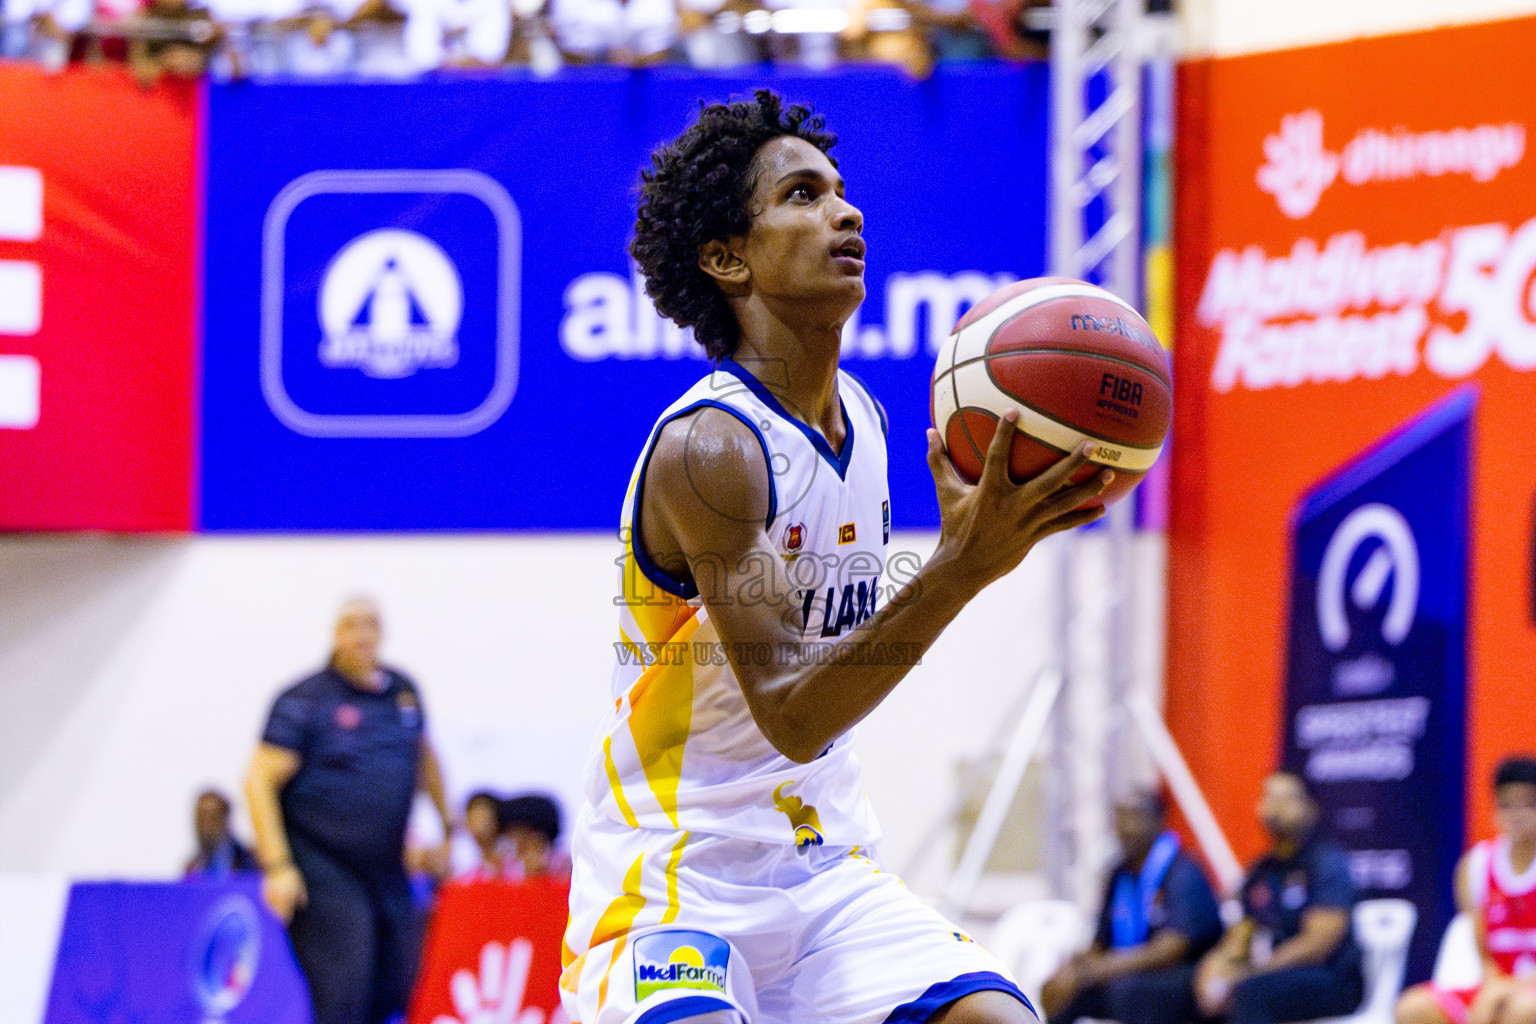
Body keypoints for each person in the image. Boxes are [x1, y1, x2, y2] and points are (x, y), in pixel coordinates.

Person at [559, 90, 1113, 1024]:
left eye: (843, 193)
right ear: (727, 258)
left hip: (821, 868)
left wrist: (963, 564)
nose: (845, 212)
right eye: (802, 197)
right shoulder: (711, 450)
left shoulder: (867, 418)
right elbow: (789, 713)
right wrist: (960, 568)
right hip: (675, 883)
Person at [245, 597, 453, 1024]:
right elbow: (258, 781)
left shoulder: (402, 692)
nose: (362, 634)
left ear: (382, 633)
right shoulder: (305, 699)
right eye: (351, 625)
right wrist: (278, 865)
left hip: (386, 866)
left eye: (370, 624)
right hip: (322, 867)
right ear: (335, 634)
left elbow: (425, 758)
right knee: (343, 988)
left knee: (396, 983)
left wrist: (447, 828)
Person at [1040, 789, 1222, 1024]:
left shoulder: (1183, 870)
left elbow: (1174, 947)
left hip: (1181, 974)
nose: (1125, 826)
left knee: (1135, 993)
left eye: (1135, 816)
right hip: (1126, 970)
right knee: (1060, 989)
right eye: (1120, 816)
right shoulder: (1118, 873)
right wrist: (1075, 968)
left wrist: (1100, 969)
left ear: (1159, 820)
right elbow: (1102, 940)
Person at [1196, 770, 1364, 1024]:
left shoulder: (1326, 862)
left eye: (1287, 798)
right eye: (1269, 797)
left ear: (1311, 808)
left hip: (1329, 978)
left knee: (1251, 993)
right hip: (1269, 972)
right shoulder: (1260, 870)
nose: (1275, 807)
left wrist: (1250, 973)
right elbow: (1240, 933)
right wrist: (1216, 967)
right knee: (1208, 991)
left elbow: (1317, 945)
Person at [1395, 756, 1536, 1024]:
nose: (1517, 814)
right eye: (1507, 805)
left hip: (1525, 994)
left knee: (1523, 1010)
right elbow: (1483, 950)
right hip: (1498, 986)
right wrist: (1495, 986)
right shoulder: (1475, 866)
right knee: (1412, 1007)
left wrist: (1509, 990)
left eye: (1529, 804)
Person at [184, 788, 260, 879]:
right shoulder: (192, 868)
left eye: (212, 818)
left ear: (227, 820)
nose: (206, 826)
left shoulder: (250, 861)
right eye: (200, 819)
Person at [499, 793, 569, 880]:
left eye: (523, 831)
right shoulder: (507, 864)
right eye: (512, 831)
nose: (516, 838)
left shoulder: (563, 862)